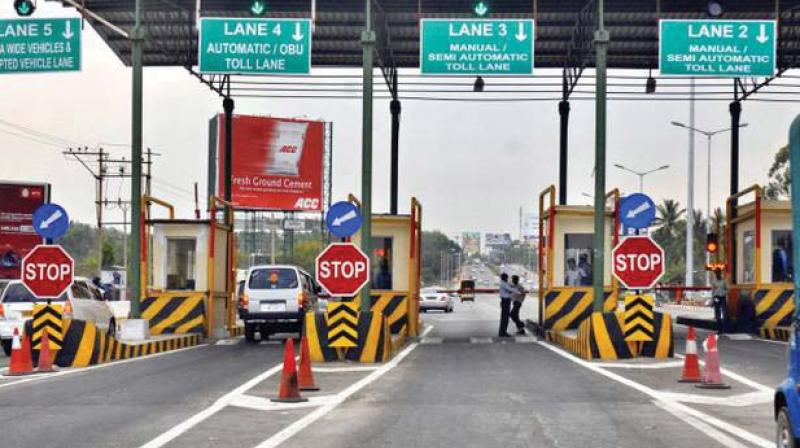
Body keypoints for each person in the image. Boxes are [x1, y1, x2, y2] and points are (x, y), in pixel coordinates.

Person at [711, 269, 729, 335]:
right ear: (716, 274)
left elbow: (728, 289)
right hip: (716, 298)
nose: (718, 274)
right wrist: (712, 300)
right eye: (716, 273)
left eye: (719, 273)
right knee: (717, 313)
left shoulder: (724, 281)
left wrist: (724, 293)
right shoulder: (713, 281)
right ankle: (719, 329)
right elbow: (712, 291)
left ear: (720, 273)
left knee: (724, 313)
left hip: (722, 297)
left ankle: (725, 328)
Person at [498, 273, 515, 337]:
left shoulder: (504, 283)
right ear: (504, 278)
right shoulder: (503, 284)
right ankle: (503, 332)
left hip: (506, 301)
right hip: (505, 301)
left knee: (505, 317)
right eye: (506, 278)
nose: (507, 279)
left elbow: (510, 289)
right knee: (505, 318)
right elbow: (511, 289)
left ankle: (502, 332)